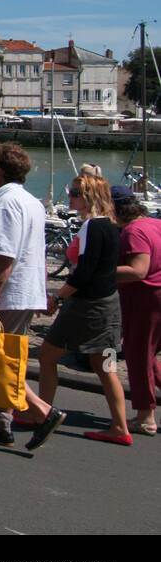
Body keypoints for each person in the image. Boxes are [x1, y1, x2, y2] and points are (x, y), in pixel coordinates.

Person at [0, 142, 67, 452]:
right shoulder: (31, 202)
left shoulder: (6, 203)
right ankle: (0, 422)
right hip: (23, 292)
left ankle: (42, 411)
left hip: (5, 297)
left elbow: (5, 254)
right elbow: (36, 252)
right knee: (9, 358)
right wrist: (38, 291)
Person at [19, 173, 130, 443]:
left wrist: (57, 298)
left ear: (89, 197)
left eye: (76, 193)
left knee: (47, 355)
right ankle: (120, 427)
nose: (70, 197)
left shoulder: (91, 227)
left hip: (86, 305)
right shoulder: (111, 226)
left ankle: (42, 412)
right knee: (105, 364)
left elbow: (84, 273)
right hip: (107, 303)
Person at [113, 185, 161, 436]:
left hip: (146, 299)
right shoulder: (155, 224)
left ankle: (145, 417)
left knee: (138, 356)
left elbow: (138, 270)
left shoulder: (134, 231)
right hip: (156, 295)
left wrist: (100, 271)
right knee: (150, 356)